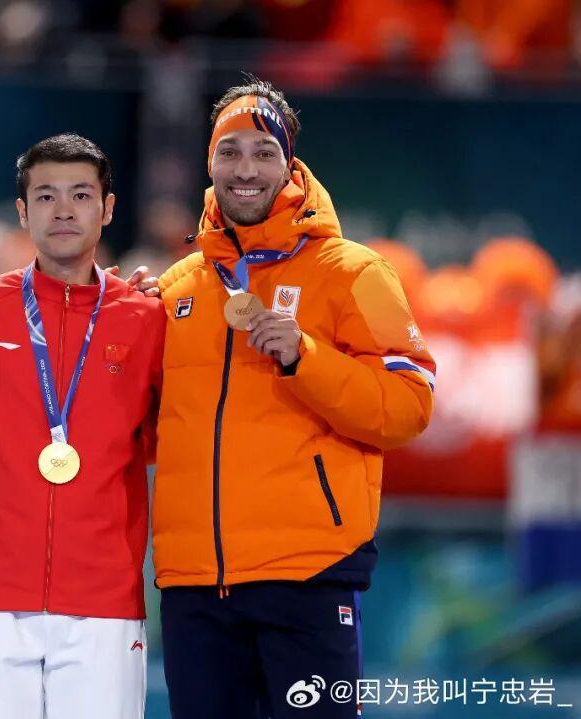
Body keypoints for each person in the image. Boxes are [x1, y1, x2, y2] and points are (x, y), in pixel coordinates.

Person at [152, 77, 437, 718]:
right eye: (230, 152)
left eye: (264, 152)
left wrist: (305, 358)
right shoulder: (177, 288)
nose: (245, 170)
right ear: (209, 163)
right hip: (195, 583)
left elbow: (409, 406)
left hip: (307, 572)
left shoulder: (355, 272)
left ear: (289, 164)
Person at [0, 134, 165, 719]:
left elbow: (164, 438)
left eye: (80, 195)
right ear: (23, 211)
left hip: (103, 597)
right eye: (45, 196)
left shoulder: (147, 318)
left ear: (107, 208)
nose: (63, 210)